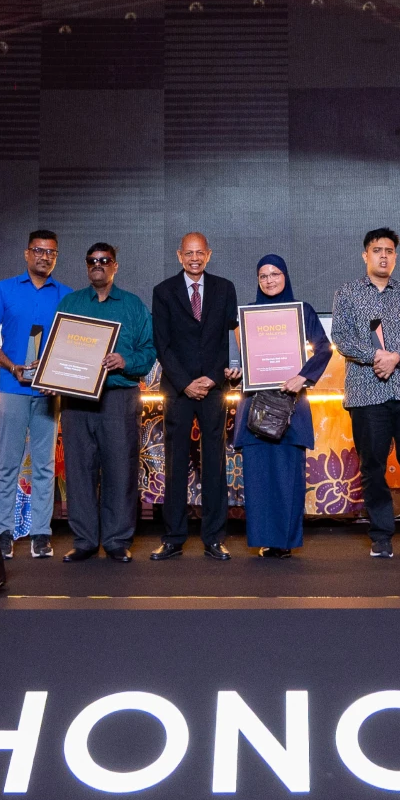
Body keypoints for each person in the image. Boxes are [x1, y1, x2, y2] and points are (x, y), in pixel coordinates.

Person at [330, 227, 400, 558]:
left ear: (396, 257)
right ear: (366, 255)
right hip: (366, 394)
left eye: (389, 251)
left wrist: (396, 357)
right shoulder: (347, 293)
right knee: (372, 466)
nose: (384, 256)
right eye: (377, 250)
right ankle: (381, 535)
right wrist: (377, 356)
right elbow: (341, 338)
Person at [55, 242, 157, 563]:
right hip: (77, 401)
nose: (97, 264)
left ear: (115, 266)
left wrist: (125, 361)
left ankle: (116, 540)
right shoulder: (70, 303)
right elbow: (56, 349)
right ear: (87, 266)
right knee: (79, 471)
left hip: (119, 397)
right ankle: (84, 540)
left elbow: (149, 350)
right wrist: (52, 377)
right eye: (92, 260)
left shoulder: (133, 305)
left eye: (105, 260)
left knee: (120, 469)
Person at [231, 254, 333, 558]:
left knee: (288, 477)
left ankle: (285, 541)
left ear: (285, 276)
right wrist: (236, 370)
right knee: (259, 478)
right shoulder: (247, 314)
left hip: (291, 405)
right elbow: (239, 357)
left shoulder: (302, 310)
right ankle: (265, 539)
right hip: (255, 405)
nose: (269, 280)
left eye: (275, 274)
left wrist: (303, 377)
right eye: (263, 276)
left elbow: (324, 348)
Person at [149, 231, 239, 560]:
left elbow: (228, 338)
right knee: (175, 463)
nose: (195, 258)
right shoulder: (163, 291)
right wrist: (186, 383)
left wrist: (213, 379)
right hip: (178, 389)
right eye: (189, 253)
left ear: (209, 255)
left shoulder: (225, 288)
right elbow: (163, 344)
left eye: (200, 252)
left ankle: (214, 537)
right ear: (179, 256)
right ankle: (173, 538)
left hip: (214, 389)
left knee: (215, 463)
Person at [0, 229, 67, 558]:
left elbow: (71, 343)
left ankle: (41, 534)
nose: (45, 257)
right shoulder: (4, 289)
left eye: (51, 252)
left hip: (48, 392)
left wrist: (55, 372)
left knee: (45, 465)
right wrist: (12, 366)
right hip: (12, 388)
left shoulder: (66, 294)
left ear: (56, 257)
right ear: (27, 253)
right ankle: (2, 532)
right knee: (8, 464)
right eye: (39, 251)